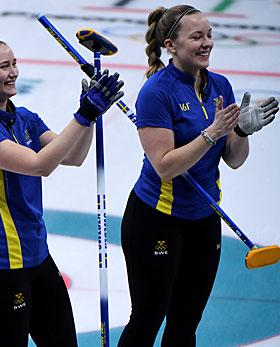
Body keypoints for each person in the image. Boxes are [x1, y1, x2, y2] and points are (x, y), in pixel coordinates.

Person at [118, 5, 278, 346]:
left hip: (204, 219)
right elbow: (165, 166)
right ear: (171, 45)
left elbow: (234, 160)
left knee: (186, 323)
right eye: (196, 37)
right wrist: (212, 133)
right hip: (156, 218)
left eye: (209, 35)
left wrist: (242, 133)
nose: (206, 43)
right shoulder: (156, 93)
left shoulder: (220, 86)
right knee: (147, 319)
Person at [0, 34, 124, 347]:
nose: (13, 72)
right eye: (4, 66)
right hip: (0, 266)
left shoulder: (25, 119)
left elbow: (73, 156)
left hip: (37, 256)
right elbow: (39, 165)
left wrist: (89, 119)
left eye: (14, 63)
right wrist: (83, 115)